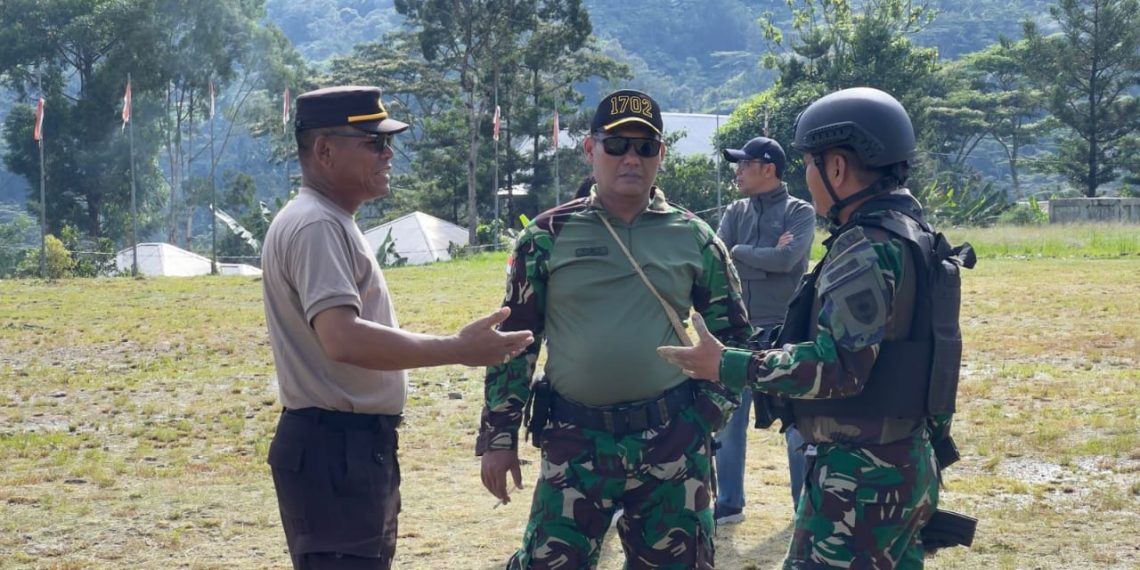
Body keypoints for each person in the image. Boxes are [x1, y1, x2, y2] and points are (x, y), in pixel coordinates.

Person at [660, 87, 970, 568]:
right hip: (905, 456)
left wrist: (727, 364)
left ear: (838, 168)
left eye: (810, 163)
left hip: (861, 476)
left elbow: (839, 367)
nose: (807, 177)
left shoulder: (865, 247)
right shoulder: (914, 236)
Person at [476, 89, 752, 569]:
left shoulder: (694, 237)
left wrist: (704, 419)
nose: (631, 158)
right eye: (616, 144)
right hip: (575, 441)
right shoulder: (546, 237)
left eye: (645, 147)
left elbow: (735, 340)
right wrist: (499, 440)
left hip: (671, 441)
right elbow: (515, 345)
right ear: (589, 150)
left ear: (661, 154)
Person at [261, 85, 534, 570]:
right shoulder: (317, 225)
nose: (389, 153)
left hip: (347, 447)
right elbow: (342, 338)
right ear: (324, 150)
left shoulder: (328, 220)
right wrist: (456, 348)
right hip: (335, 449)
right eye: (373, 141)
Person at [713, 136, 815, 525]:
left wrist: (740, 252)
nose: (737, 171)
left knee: (793, 423)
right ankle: (728, 502)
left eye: (744, 164)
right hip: (736, 331)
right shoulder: (735, 210)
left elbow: (789, 260)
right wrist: (760, 255)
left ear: (767, 168)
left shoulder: (800, 211)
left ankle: (801, 507)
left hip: (782, 330)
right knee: (728, 418)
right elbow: (719, 260)